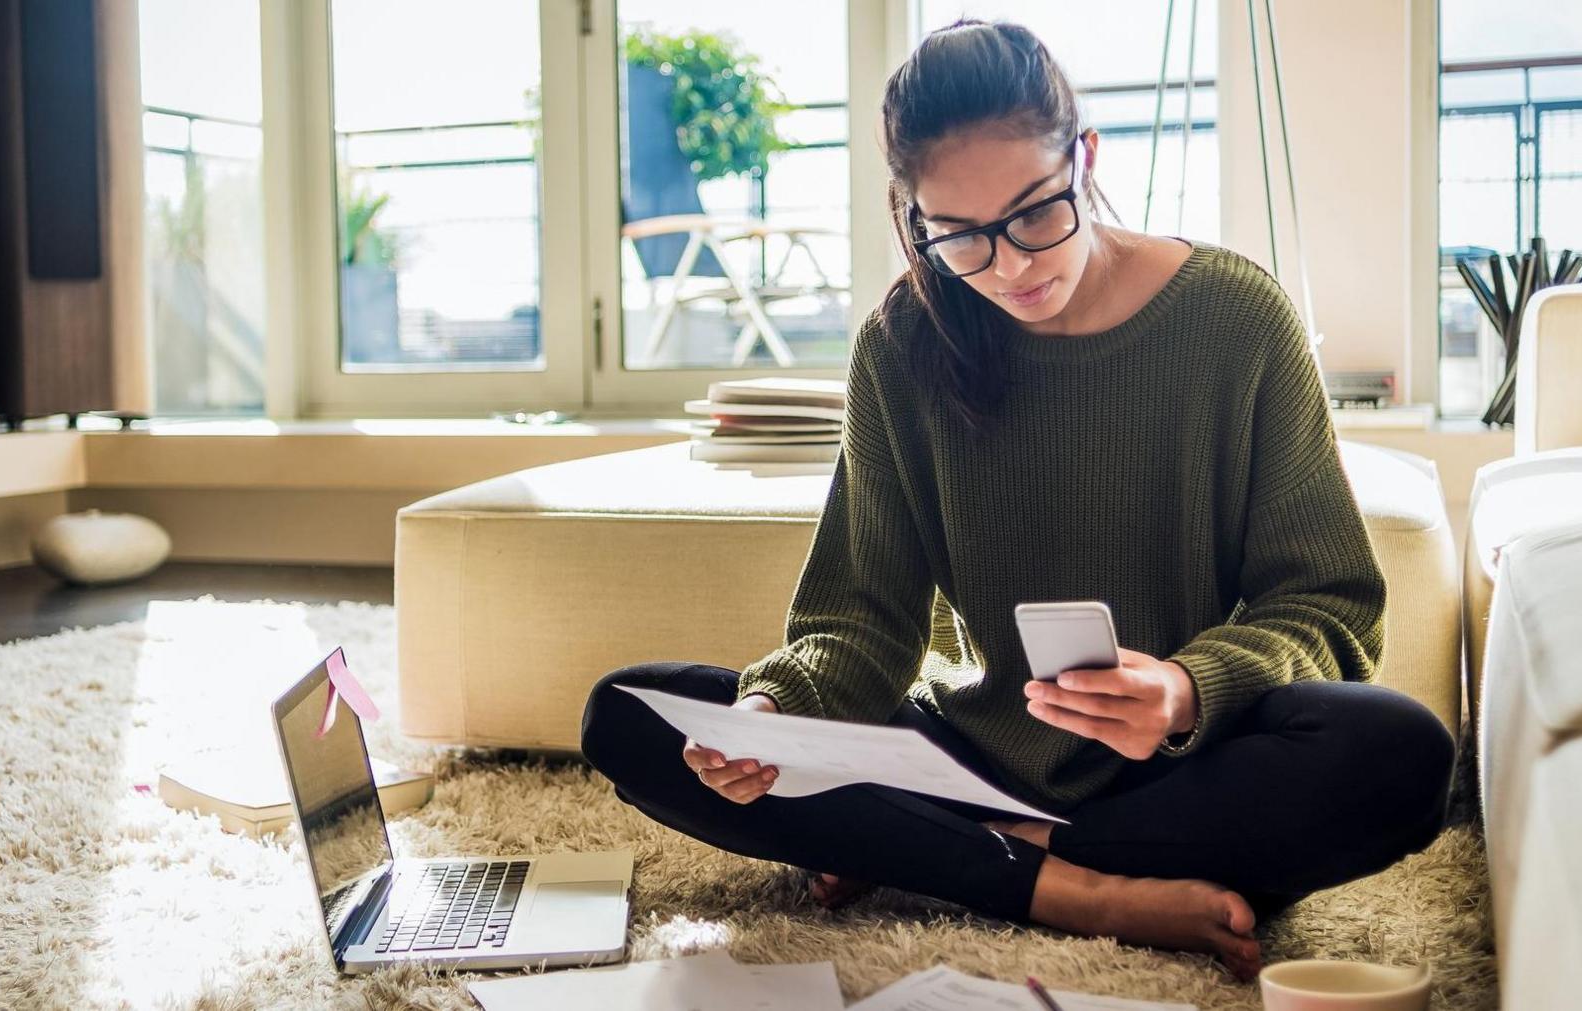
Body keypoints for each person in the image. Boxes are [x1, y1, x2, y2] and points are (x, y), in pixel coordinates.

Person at [581, 18, 1454, 981]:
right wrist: (778, 709)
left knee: (1400, 752)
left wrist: (1185, 690)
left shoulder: (1238, 319)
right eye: (957, 236)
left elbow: (1328, 602)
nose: (1011, 266)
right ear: (914, 216)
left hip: (1172, 772)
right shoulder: (902, 346)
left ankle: (951, 855)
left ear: (1083, 157)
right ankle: (1078, 889)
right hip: (963, 755)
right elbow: (861, 618)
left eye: (1037, 213)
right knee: (630, 713)